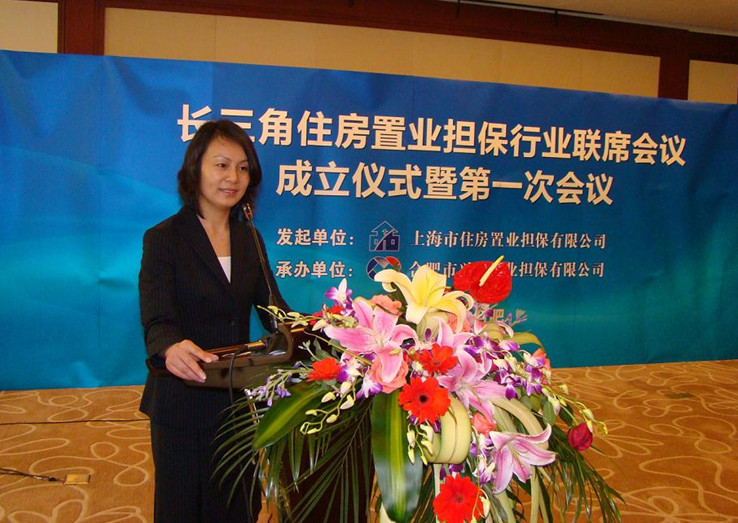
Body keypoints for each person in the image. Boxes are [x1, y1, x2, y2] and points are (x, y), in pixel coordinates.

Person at [139, 119, 288, 522]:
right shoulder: (164, 238)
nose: (233, 178)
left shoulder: (249, 238)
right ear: (196, 169)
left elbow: (274, 312)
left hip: (233, 400)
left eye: (242, 168)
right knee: (183, 508)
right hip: (181, 399)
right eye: (221, 165)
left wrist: (330, 328)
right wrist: (170, 347)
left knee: (237, 505)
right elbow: (157, 318)